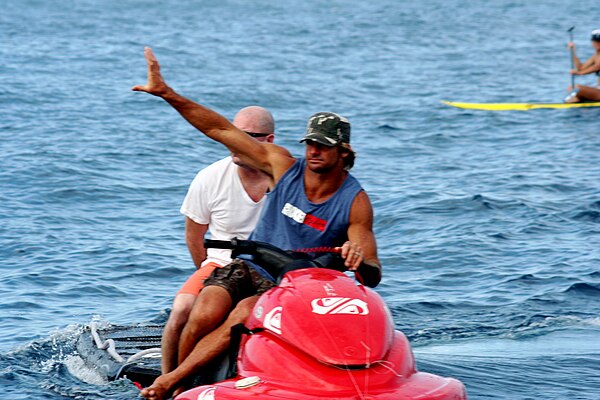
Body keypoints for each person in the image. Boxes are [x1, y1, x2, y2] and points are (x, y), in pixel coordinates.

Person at [132, 47, 382, 400]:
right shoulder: (282, 166)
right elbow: (219, 128)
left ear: (343, 153)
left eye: (323, 147)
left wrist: (359, 259)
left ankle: (171, 382)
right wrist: (167, 94)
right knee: (203, 310)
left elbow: (372, 273)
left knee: (243, 313)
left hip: (293, 286)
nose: (313, 152)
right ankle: (180, 386)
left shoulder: (355, 202)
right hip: (248, 267)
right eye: (310, 144)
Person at [161, 106, 275, 376]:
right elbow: (194, 236)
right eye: (232, 133)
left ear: (269, 141)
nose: (233, 141)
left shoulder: (286, 179)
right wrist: (208, 276)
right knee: (182, 309)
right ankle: (166, 380)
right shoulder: (209, 177)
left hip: (271, 269)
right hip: (220, 264)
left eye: (246, 136)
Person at [565, 29, 600, 103]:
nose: (597, 44)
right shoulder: (595, 56)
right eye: (596, 41)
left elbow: (597, 67)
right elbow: (580, 67)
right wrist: (573, 51)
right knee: (573, 95)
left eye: (599, 42)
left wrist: (579, 73)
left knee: (577, 88)